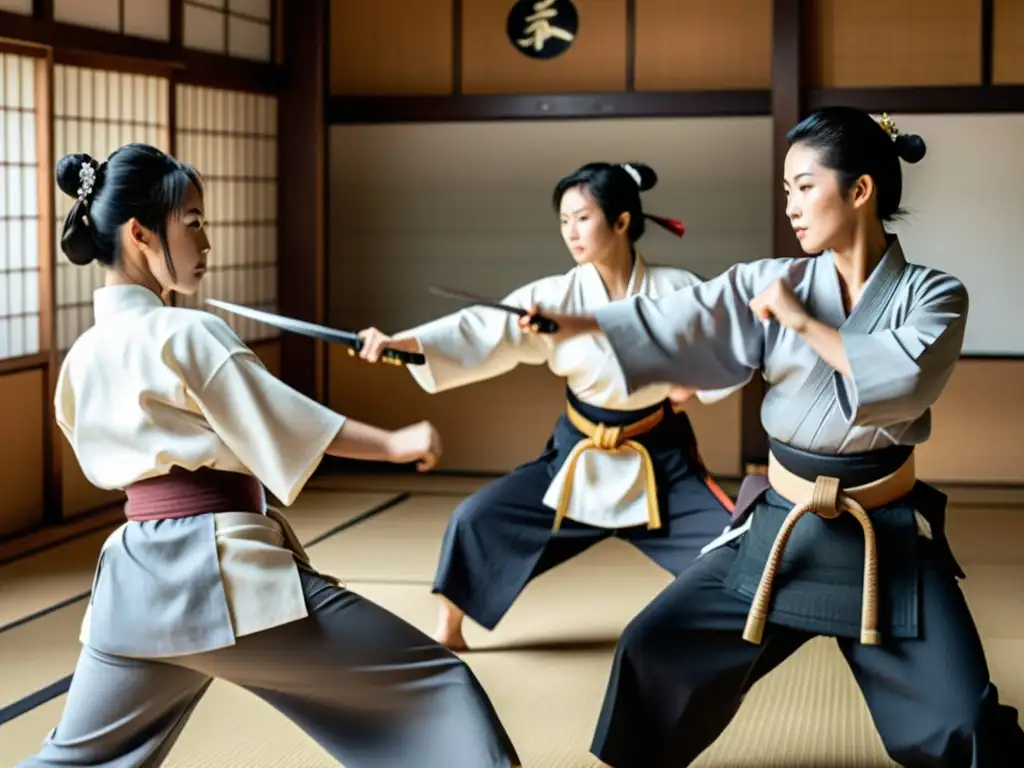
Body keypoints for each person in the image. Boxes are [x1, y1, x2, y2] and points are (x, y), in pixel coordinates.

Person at [517, 109, 1024, 767]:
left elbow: (901, 380)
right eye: (786, 190)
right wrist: (577, 322)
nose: (791, 206)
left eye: (804, 186)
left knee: (964, 722)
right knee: (652, 646)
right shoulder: (771, 280)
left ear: (860, 190)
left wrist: (799, 321)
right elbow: (678, 319)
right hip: (783, 530)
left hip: (885, 537)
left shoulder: (934, 293)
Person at [20, 144, 520, 768]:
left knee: (74, 761)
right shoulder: (186, 333)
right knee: (438, 686)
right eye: (194, 222)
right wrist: (395, 444)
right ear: (141, 233)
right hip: (215, 577)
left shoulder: (83, 356)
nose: (206, 243)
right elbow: (284, 420)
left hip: (130, 584)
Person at [357, 161, 740, 651]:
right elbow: (478, 330)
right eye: (563, 221)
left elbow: (729, 343)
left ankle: (729, 643)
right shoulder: (553, 296)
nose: (571, 233)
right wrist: (401, 343)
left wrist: (694, 380)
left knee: (733, 546)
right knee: (477, 519)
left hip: (658, 460)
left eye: (582, 218)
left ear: (621, 222)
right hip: (576, 454)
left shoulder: (678, 288)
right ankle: (448, 629)